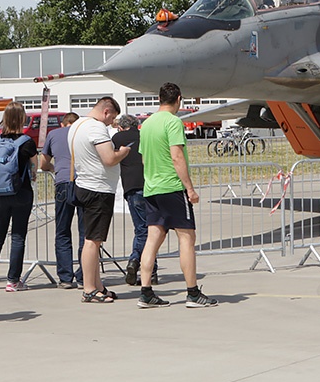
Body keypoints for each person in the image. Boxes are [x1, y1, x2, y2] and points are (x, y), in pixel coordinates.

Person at [137, 83, 217, 308]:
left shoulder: (147, 123)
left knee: (153, 239)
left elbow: (143, 159)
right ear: (178, 99)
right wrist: (189, 188)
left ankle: (146, 291)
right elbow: (177, 157)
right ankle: (192, 292)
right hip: (171, 187)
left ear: (160, 98)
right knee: (187, 238)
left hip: (151, 187)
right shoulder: (173, 123)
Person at [68, 97, 129, 303]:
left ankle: (97, 285)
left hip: (84, 185)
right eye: (112, 118)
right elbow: (109, 159)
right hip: (98, 189)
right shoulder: (96, 128)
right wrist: (122, 152)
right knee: (92, 241)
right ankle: (89, 288)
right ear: (106, 111)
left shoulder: (77, 125)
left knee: (92, 239)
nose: (111, 122)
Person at [0, 102, 39, 292]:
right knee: (18, 236)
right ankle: (13, 280)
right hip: (21, 191)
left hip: (0, 192)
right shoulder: (26, 142)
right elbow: (34, 165)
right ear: (22, 119)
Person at [111, 114, 157, 286]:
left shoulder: (117, 138)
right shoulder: (144, 135)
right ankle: (150, 270)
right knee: (152, 229)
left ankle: (135, 260)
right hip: (150, 185)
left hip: (131, 187)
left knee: (141, 229)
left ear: (121, 127)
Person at [40, 112, 84, 289]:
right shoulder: (83, 133)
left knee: (63, 230)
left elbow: (43, 164)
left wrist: (55, 168)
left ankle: (65, 277)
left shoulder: (54, 134)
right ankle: (84, 276)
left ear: (63, 123)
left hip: (63, 183)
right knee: (86, 231)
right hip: (83, 183)